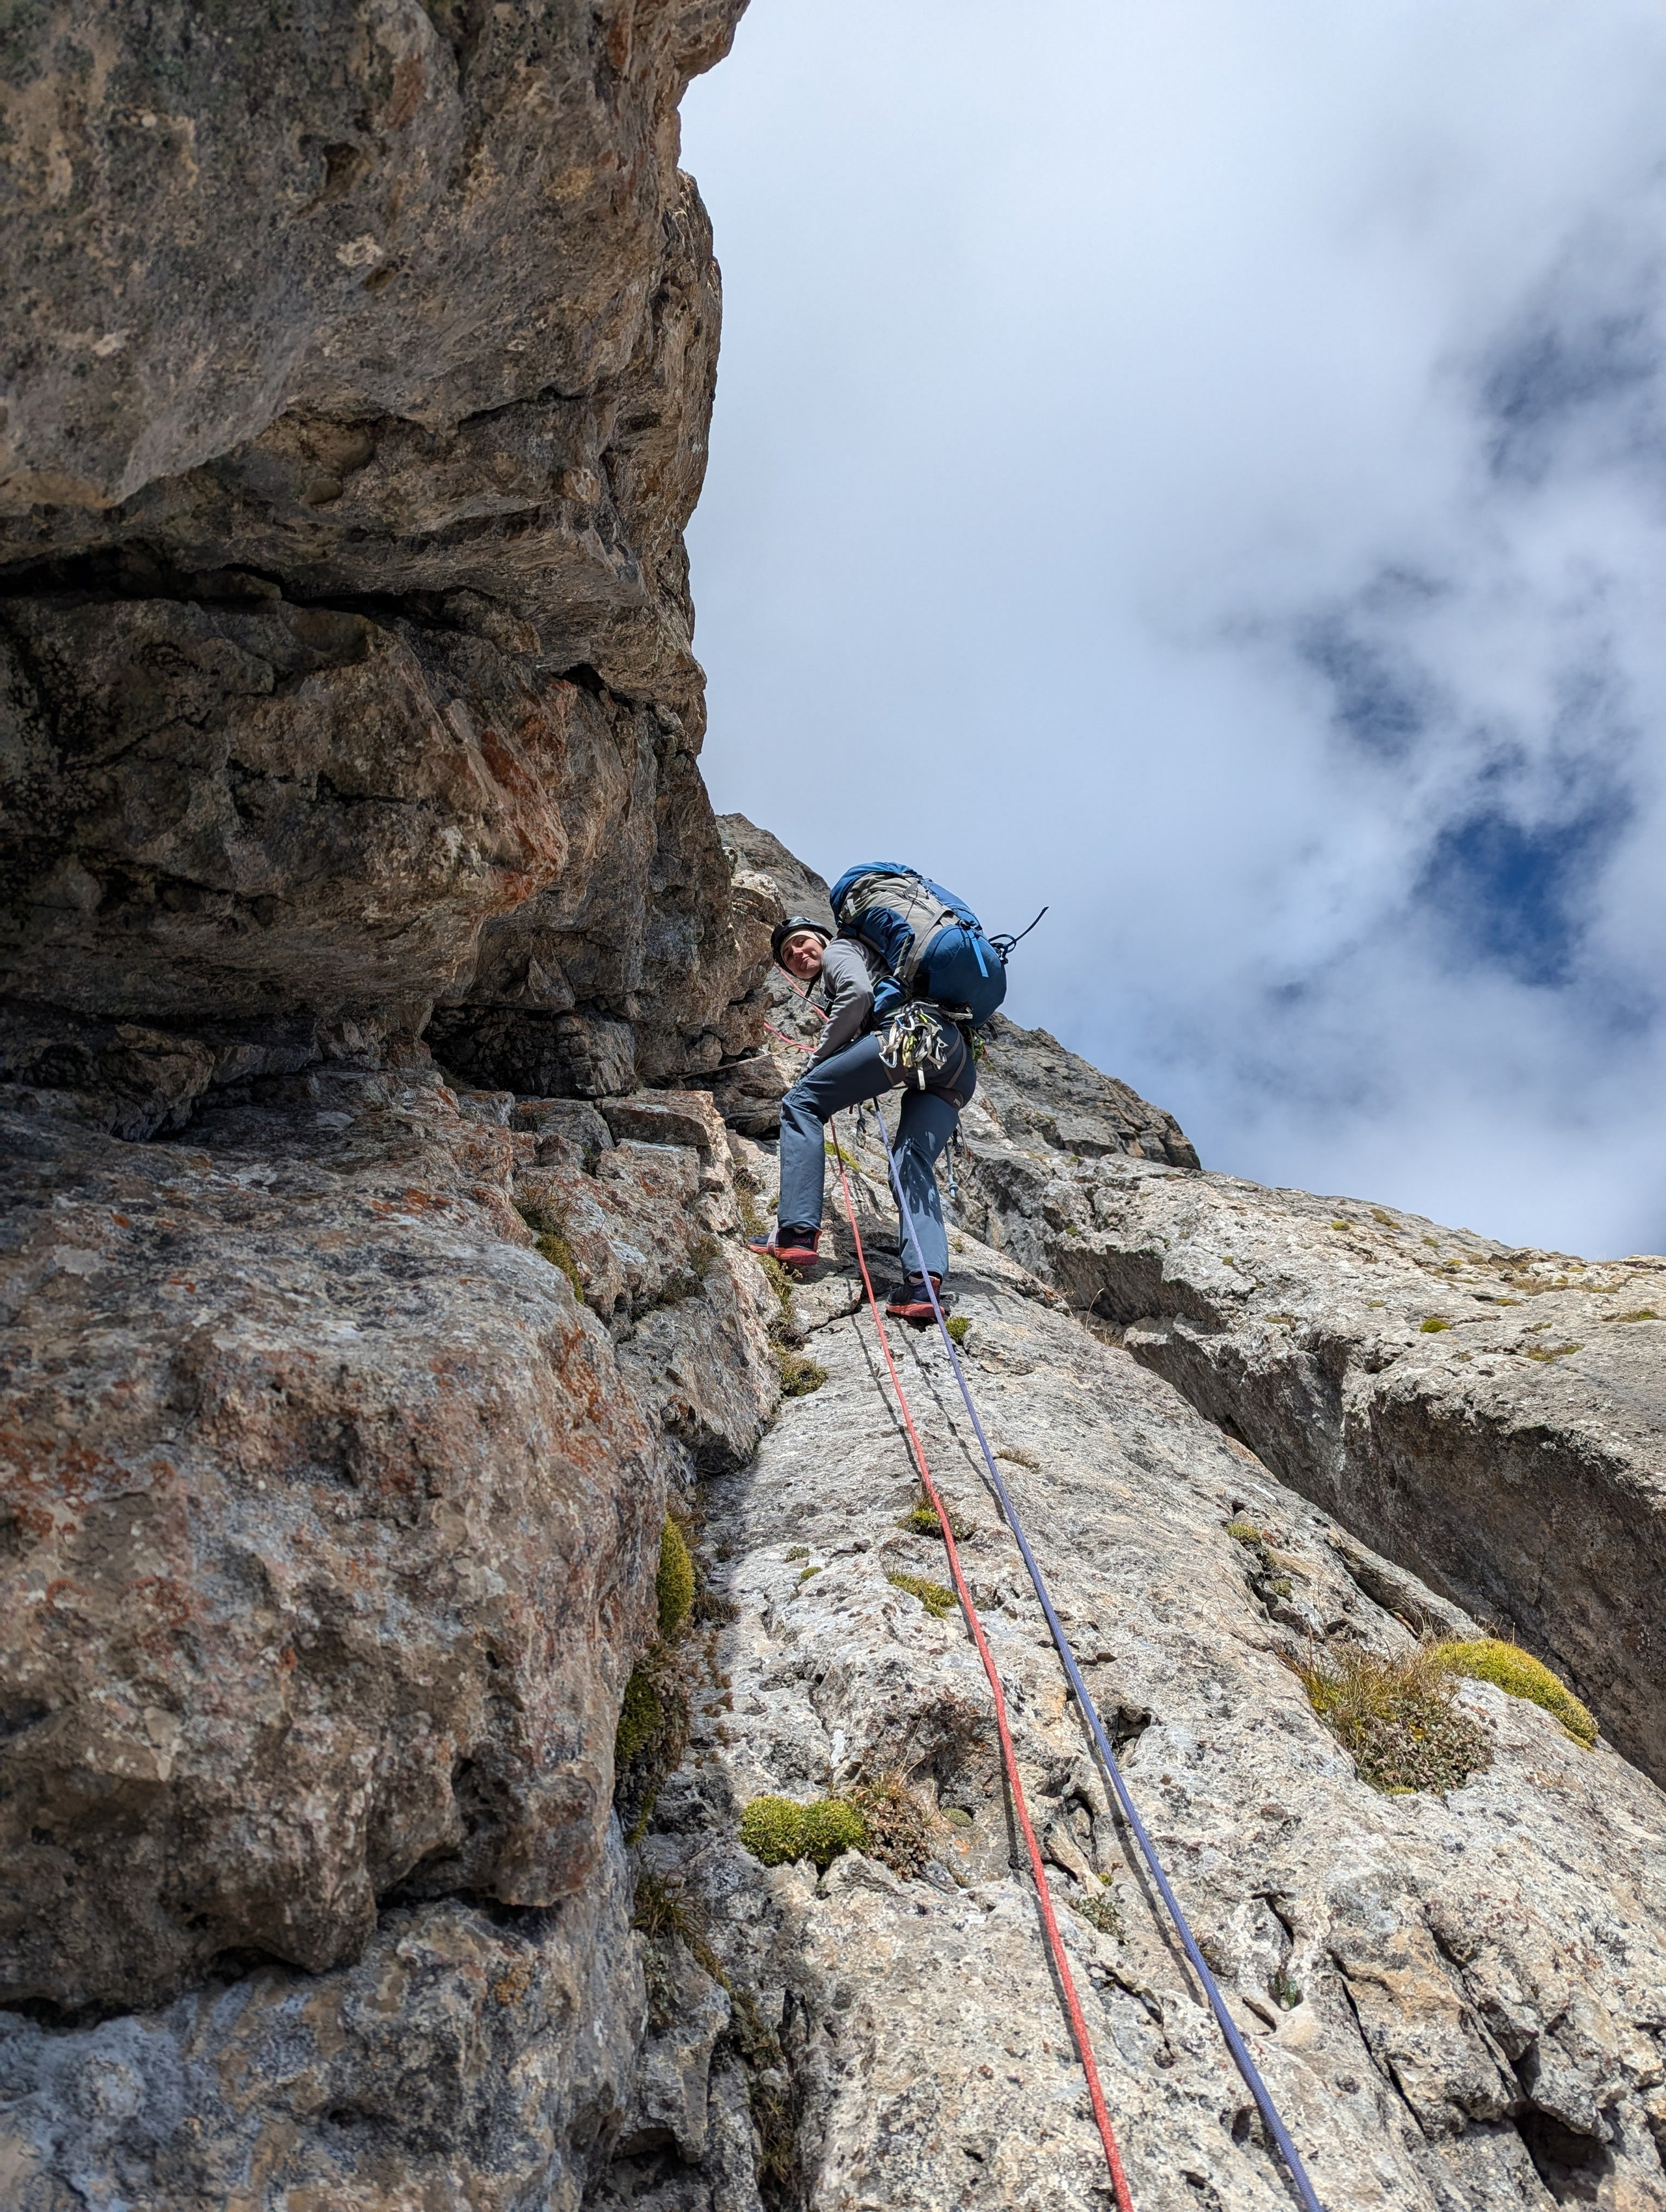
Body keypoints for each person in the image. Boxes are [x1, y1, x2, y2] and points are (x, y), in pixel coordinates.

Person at [750, 912, 976, 1322]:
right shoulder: (880, 960)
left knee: (802, 1103)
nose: (799, 953)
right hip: (956, 1064)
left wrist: (818, 1062)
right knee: (911, 1161)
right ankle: (922, 1285)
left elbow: (856, 995)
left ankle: (796, 1232)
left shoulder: (841, 948)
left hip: (907, 1036)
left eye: (802, 942)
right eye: (788, 954)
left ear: (823, 938)